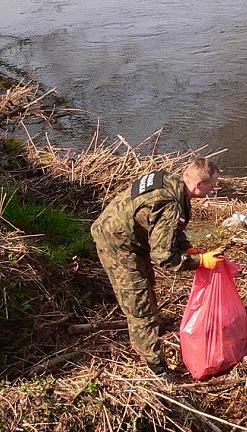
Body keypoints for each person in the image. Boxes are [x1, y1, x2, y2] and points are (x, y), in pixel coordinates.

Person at [91, 158, 223, 377]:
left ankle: (156, 329)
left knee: (147, 285)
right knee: (139, 305)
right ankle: (156, 366)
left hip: (132, 238)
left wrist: (188, 249)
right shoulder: (169, 204)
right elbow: (163, 257)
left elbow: (172, 227)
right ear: (199, 185)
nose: (214, 190)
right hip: (117, 245)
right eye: (212, 186)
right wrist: (201, 262)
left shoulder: (172, 183)